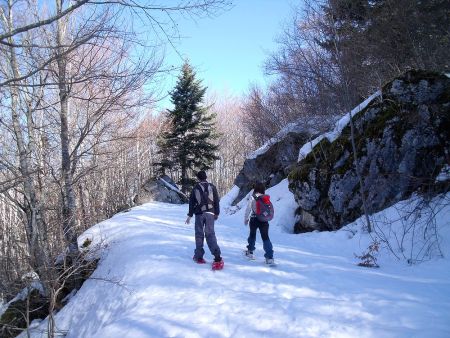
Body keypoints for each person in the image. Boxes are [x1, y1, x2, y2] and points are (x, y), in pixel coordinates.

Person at [185, 170, 224, 269]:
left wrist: (190, 215)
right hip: (210, 213)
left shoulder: (195, 188)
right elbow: (216, 201)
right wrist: (217, 213)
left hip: (199, 214)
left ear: (198, 178)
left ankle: (198, 257)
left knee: (199, 235)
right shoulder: (212, 187)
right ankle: (217, 258)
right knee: (210, 234)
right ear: (206, 177)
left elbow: (191, 203)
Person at [244, 182, 274, 264]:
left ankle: (250, 252)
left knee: (252, 235)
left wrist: (246, 218)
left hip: (254, 219)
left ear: (255, 189)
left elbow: (248, 209)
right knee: (265, 237)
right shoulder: (266, 198)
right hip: (264, 220)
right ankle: (269, 257)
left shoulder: (253, 197)